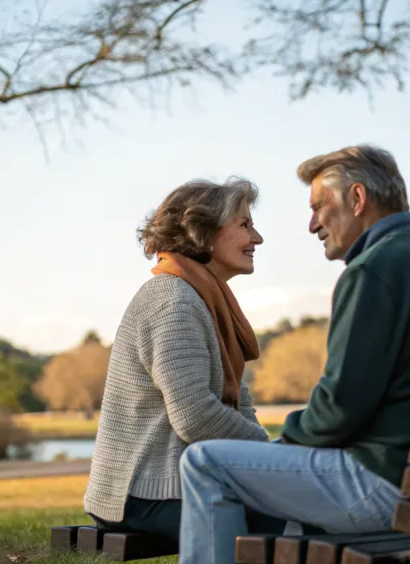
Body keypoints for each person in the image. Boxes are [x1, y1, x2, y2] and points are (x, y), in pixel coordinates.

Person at [177, 145, 410, 563]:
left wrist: (287, 443)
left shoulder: (375, 269)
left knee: (204, 462)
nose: (312, 224)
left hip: (390, 488)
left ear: (357, 199)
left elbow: (340, 405)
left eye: (319, 206)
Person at [84, 178, 277, 544]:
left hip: (179, 482)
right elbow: (196, 415)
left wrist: (269, 460)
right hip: (143, 493)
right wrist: (268, 453)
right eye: (244, 225)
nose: (257, 239)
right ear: (202, 231)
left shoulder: (206, 298)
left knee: (299, 510)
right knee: (288, 523)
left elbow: (238, 400)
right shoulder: (174, 301)